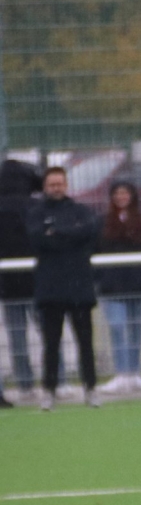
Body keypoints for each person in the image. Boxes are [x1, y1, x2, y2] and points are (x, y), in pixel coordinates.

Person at [26, 166, 101, 410]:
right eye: (52, 184)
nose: (56, 188)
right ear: (45, 187)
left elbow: (89, 233)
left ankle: (91, 388)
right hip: (50, 289)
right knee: (51, 344)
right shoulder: (36, 213)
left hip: (80, 288)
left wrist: (56, 232)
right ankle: (49, 391)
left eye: (60, 184)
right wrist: (70, 235)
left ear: (66, 185)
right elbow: (38, 240)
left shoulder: (81, 211)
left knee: (85, 342)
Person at [95, 180, 141, 394]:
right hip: (111, 288)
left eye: (125, 193)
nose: (121, 197)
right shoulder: (101, 223)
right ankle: (121, 374)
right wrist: (100, 278)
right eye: (117, 193)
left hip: (139, 286)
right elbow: (91, 251)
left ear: (132, 196)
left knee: (136, 329)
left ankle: (134, 374)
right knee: (117, 327)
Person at [0, 160, 42, 407]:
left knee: (17, 335)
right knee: (49, 332)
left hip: (7, 282)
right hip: (37, 279)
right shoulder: (36, 207)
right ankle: (56, 380)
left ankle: (25, 383)